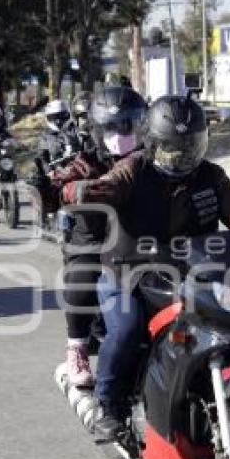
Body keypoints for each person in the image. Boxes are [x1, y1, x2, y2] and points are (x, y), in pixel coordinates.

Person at [62, 94, 230, 439]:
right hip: (128, 273)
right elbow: (107, 188)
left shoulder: (211, 176)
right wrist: (80, 191)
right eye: (173, 148)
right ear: (153, 143)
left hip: (188, 274)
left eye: (192, 145)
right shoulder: (134, 168)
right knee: (128, 329)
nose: (184, 156)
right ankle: (109, 405)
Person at [49, 86, 148, 387]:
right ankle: (76, 346)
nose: (120, 133)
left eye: (126, 125)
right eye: (110, 127)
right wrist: (61, 187)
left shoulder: (152, 159)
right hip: (93, 240)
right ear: (96, 129)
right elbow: (57, 185)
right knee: (82, 278)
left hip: (140, 240)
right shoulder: (86, 161)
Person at [38, 100, 80, 172]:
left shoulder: (76, 129)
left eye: (61, 116)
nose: (58, 121)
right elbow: (42, 158)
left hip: (81, 166)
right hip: (58, 173)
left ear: (67, 115)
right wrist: (49, 171)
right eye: (53, 117)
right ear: (48, 117)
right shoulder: (46, 136)